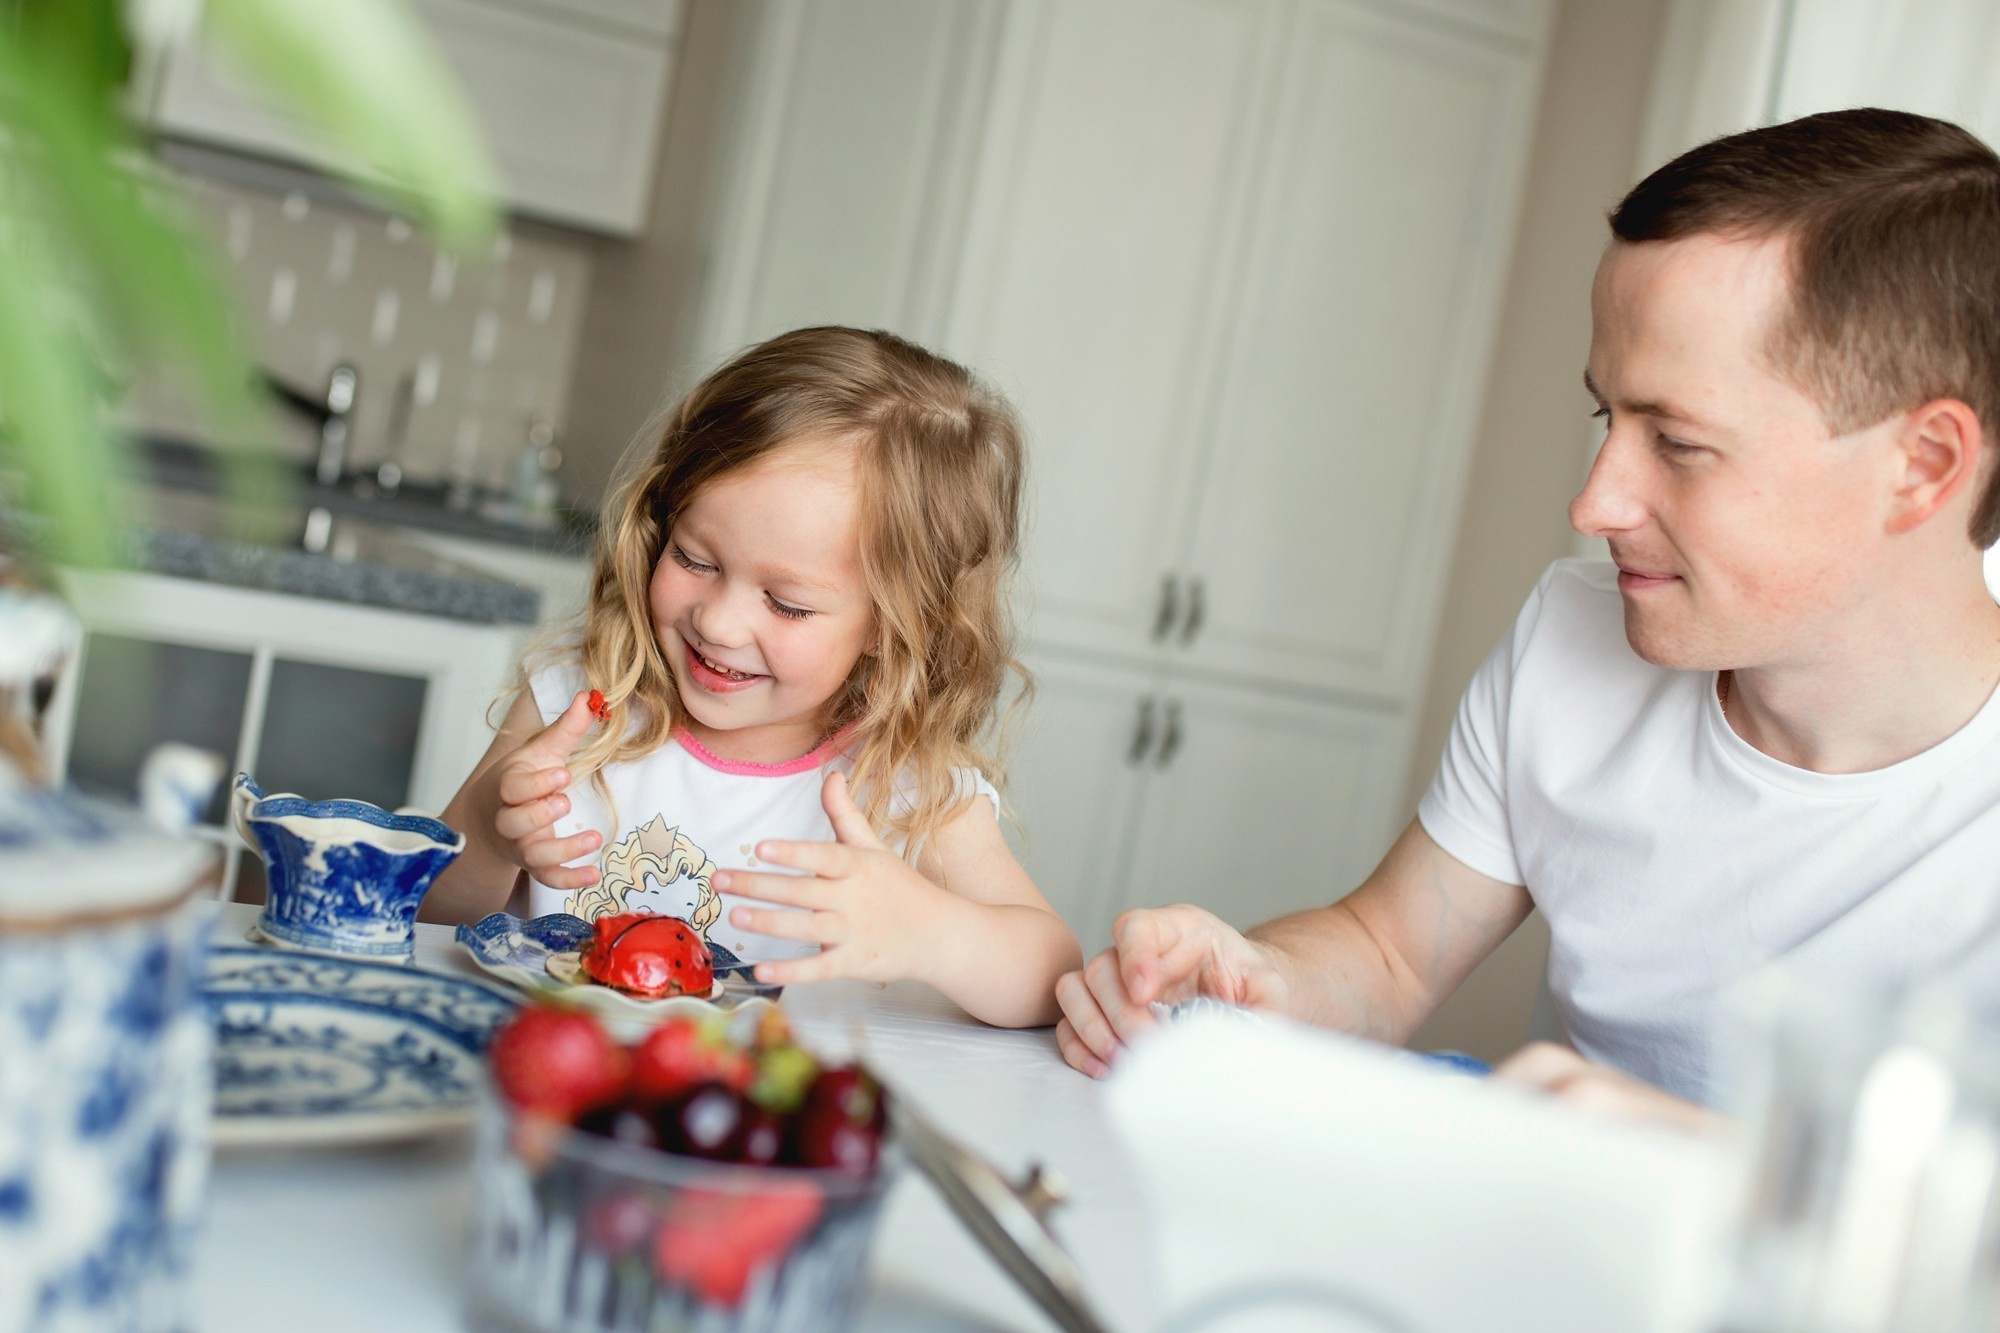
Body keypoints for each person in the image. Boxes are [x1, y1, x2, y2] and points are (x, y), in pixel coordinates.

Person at [1055, 107, 2000, 1109]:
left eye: (1676, 442)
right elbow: (1386, 952)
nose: (1593, 501)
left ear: (1921, 465)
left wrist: (1690, 1162)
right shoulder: (1569, 639)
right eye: (1608, 414)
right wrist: (1248, 979)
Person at [425, 326, 1080, 1028]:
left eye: (786, 603)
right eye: (695, 559)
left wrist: (933, 931)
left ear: (891, 626)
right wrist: (493, 835)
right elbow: (431, 913)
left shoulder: (904, 786)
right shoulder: (579, 699)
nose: (720, 623)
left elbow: (1055, 976)